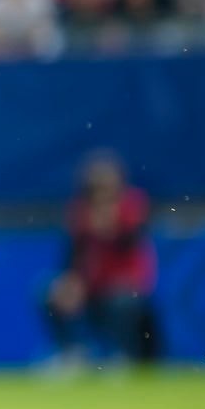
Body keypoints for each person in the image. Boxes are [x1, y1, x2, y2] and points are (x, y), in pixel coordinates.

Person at [44, 151, 159, 364]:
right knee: (48, 292)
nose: (101, 192)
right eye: (95, 187)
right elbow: (73, 254)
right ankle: (72, 352)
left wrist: (110, 227)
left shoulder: (132, 205)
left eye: (106, 186)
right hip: (91, 290)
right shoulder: (80, 211)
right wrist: (72, 281)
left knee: (122, 301)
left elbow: (131, 243)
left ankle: (123, 355)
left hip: (126, 289)